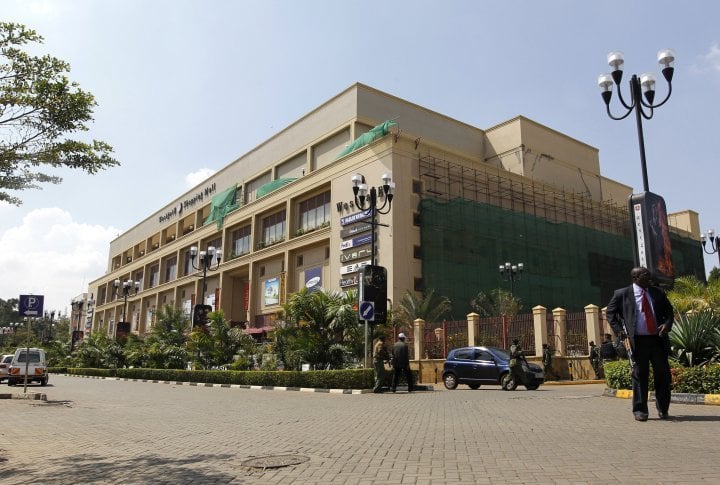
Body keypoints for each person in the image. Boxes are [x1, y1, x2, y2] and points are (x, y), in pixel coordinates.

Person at [606, 267, 674, 422]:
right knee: (639, 375)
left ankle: (663, 409)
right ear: (635, 278)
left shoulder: (658, 292)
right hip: (637, 341)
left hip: (657, 339)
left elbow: (669, 311)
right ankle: (640, 410)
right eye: (646, 275)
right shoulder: (621, 294)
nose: (649, 277)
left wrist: (667, 324)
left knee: (663, 375)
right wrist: (618, 331)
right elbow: (610, 313)